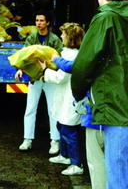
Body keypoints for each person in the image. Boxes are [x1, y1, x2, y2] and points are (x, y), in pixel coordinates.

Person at [71, 0, 128, 188]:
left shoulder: (105, 18)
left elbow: (84, 65)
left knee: (117, 174)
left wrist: (77, 94)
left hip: (115, 107)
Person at [51, 55, 106, 188]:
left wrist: (55, 59)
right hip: (117, 116)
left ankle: (77, 165)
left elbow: (74, 66)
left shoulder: (96, 48)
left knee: (96, 162)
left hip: (98, 116)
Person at [15, 10, 63, 154]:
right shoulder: (31, 38)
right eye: (37, 21)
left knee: (52, 110)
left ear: (48, 23)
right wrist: (20, 69)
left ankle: (55, 141)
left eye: (41, 20)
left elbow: (59, 57)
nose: (39, 23)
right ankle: (27, 140)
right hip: (35, 78)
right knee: (30, 109)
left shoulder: (55, 39)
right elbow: (24, 56)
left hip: (49, 78)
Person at [39, 22, 84, 175]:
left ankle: (77, 164)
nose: (61, 36)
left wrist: (45, 71)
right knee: (61, 126)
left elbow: (60, 78)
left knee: (69, 131)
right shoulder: (67, 53)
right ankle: (65, 156)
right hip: (64, 97)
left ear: (69, 37)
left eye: (64, 34)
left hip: (69, 98)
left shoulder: (70, 56)